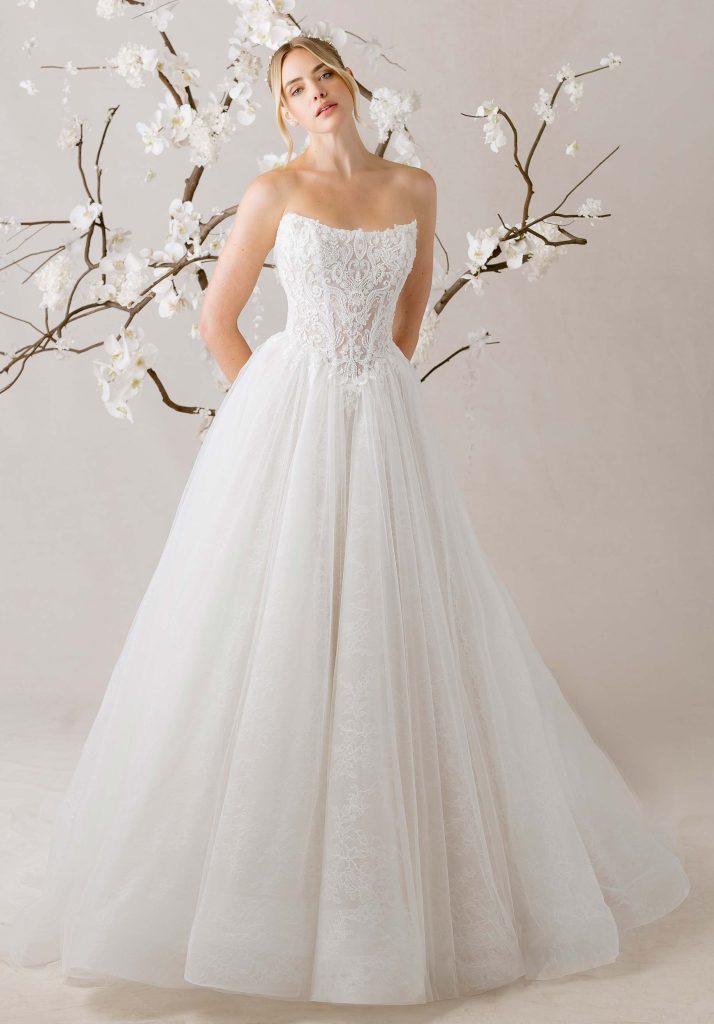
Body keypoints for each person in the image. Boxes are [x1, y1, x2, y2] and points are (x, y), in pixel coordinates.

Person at [0, 34, 690, 1007]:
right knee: (274, 624)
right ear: (282, 111)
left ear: (351, 81)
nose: (315, 90)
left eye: (324, 72)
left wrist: (373, 390)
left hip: (384, 418)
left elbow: (411, 308)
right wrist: (281, 411)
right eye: (294, 86)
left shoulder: (414, 187)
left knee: (393, 621)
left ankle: (397, 886)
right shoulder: (272, 193)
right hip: (294, 416)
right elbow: (216, 322)